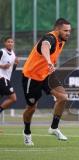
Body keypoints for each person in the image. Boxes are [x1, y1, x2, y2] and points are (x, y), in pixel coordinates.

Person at [22, 18, 71, 146]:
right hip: (31, 77)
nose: (68, 33)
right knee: (31, 108)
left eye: (69, 31)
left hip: (46, 75)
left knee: (63, 97)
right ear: (57, 29)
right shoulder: (50, 38)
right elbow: (45, 47)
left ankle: (54, 128)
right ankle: (27, 132)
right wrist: (49, 61)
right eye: (65, 30)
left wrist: (49, 64)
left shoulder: (62, 41)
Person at [0, 37, 18, 114]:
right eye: (8, 42)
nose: (10, 43)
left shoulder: (13, 54)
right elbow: (4, 67)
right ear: (5, 43)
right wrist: (2, 66)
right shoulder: (2, 52)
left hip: (6, 78)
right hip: (2, 78)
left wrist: (16, 64)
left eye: (11, 42)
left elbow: (11, 70)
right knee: (13, 98)